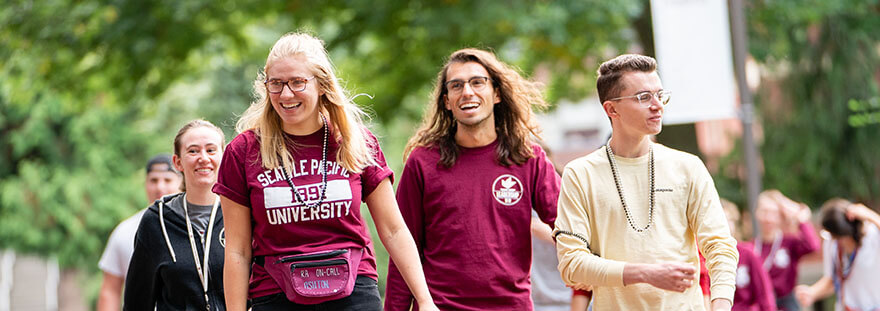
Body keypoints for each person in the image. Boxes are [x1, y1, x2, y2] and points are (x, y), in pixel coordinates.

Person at [213, 32, 436, 311]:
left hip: (353, 292)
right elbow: (237, 250)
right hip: (275, 294)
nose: (286, 94)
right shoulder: (243, 152)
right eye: (276, 84)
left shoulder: (356, 143)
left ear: (321, 85)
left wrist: (425, 300)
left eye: (297, 82)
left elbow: (393, 230)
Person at [553, 54, 739, 310]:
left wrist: (721, 305)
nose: (657, 105)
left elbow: (721, 246)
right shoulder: (580, 174)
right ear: (611, 109)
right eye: (643, 97)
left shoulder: (688, 167)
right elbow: (571, 266)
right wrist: (645, 273)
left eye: (660, 95)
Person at [384, 48, 561, 310]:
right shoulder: (422, 163)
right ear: (446, 100)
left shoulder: (528, 158)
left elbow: (570, 229)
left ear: (497, 93)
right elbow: (403, 247)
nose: (467, 91)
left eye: (477, 82)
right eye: (456, 85)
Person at [123, 119, 227, 310]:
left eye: (211, 150)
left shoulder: (241, 212)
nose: (203, 158)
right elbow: (136, 301)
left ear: (224, 156)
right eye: (193, 151)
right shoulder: (157, 220)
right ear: (177, 162)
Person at [97, 154, 182, 311]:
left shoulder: (195, 228)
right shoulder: (124, 231)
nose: (160, 187)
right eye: (154, 180)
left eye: (167, 180)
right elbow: (110, 290)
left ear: (181, 182)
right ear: (145, 184)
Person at [795, 198, 880, 311]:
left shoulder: (872, 236)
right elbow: (832, 280)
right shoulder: (831, 243)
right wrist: (812, 292)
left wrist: (869, 215)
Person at [753, 190, 820, 310]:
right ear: (757, 213)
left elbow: (813, 246)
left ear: (780, 215)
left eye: (773, 212)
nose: (768, 218)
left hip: (786, 304)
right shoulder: (751, 247)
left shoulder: (789, 243)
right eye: (764, 212)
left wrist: (800, 217)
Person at [721, 199, 775, 311]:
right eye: (720, 219)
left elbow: (764, 293)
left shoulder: (748, 253)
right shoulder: (702, 257)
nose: (725, 224)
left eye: (729, 220)